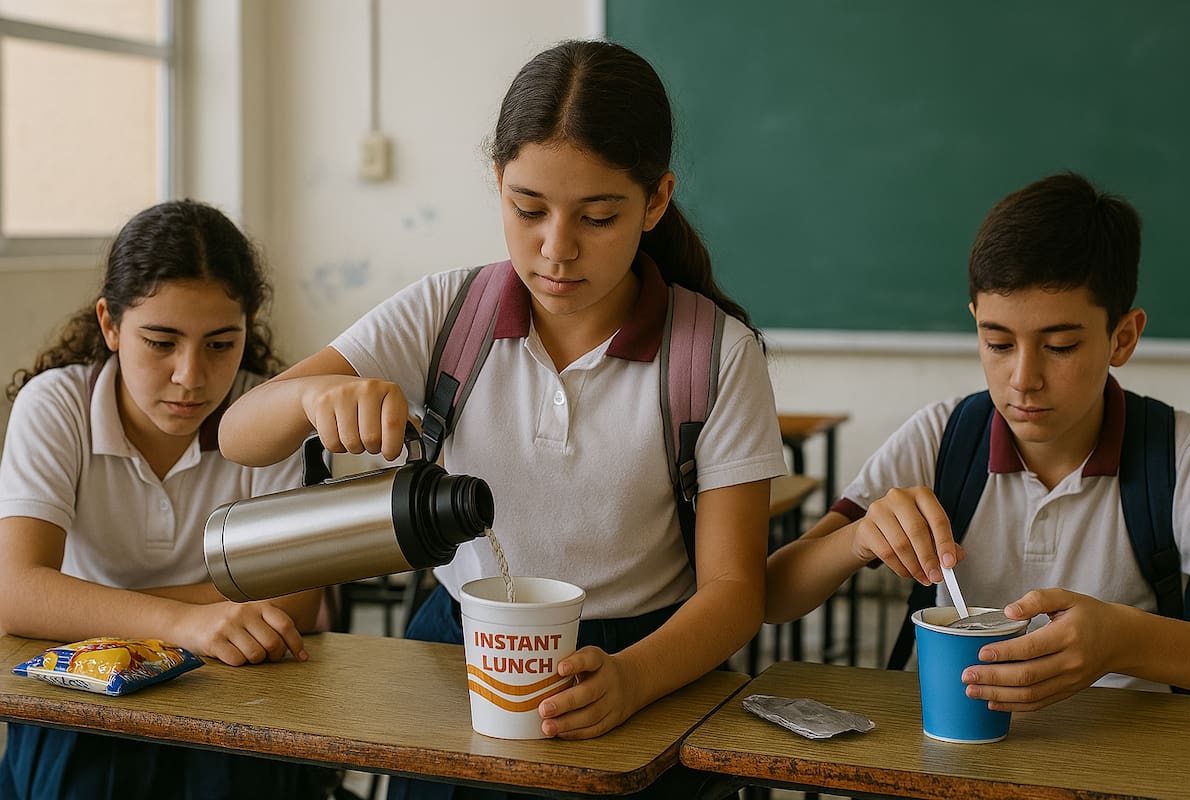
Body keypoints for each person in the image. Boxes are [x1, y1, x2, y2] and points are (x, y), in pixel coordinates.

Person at [218, 39, 786, 799]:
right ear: (497, 184)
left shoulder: (716, 353)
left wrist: (632, 678)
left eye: (598, 216)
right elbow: (237, 434)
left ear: (655, 201)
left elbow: (732, 590)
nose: (556, 249)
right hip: (457, 657)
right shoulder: (448, 312)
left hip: (647, 663)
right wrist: (308, 399)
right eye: (528, 209)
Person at [766, 171, 1190, 709]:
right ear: (975, 323)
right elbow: (770, 595)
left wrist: (1122, 642)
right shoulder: (942, 438)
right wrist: (854, 542)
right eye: (997, 342)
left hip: (1119, 767)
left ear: (1124, 337)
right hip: (950, 755)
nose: (1023, 377)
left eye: (1060, 346)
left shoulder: (1179, 456)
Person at [0, 200, 336, 799]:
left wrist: (75, 606)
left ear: (247, 328)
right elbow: (16, 593)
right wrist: (193, 620)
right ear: (110, 325)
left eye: (219, 345)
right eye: (160, 342)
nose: (190, 376)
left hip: (238, 688)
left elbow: (297, 601)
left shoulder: (272, 416)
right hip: (87, 688)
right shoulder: (57, 406)